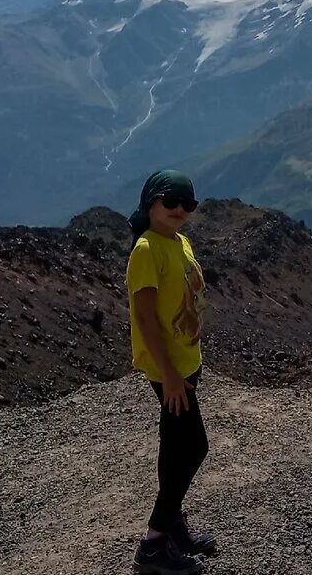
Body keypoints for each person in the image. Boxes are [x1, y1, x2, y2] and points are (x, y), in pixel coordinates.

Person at [126, 169, 216, 575]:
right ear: (151, 203)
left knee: (174, 447)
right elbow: (145, 320)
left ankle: (174, 525)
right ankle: (154, 544)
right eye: (171, 201)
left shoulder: (180, 242)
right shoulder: (146, 250)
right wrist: (171, 377)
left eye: (188, 203)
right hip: (170, 372)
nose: (180, 209)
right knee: (194, 447)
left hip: (185, 363)